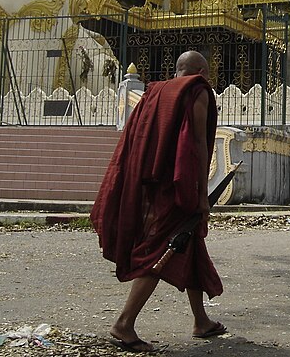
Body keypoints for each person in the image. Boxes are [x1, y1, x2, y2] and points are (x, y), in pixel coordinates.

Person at [90, 51, 226, 353]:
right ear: (201, 72)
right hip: (177, 188)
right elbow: (199, 146)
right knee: (162, 252)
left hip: (152, 182)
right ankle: (124, 323)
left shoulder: (155, 92)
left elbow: (137, 138)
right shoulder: (198, 91)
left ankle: (201, 321)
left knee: (188, 244)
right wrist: (202, 194)